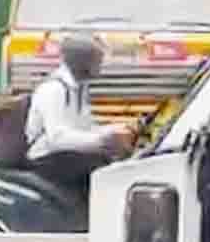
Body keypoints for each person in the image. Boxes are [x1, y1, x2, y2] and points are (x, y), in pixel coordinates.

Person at [25, 33, 135, 199]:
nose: (100, 66)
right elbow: (57, 138)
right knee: (101, 171)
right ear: (81, 61)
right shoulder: (54, 89)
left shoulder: (79, 88)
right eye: (96, 61)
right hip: (46, 157)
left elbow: (85, 128)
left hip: (66, 153)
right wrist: (102, 141)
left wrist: (115, 129)